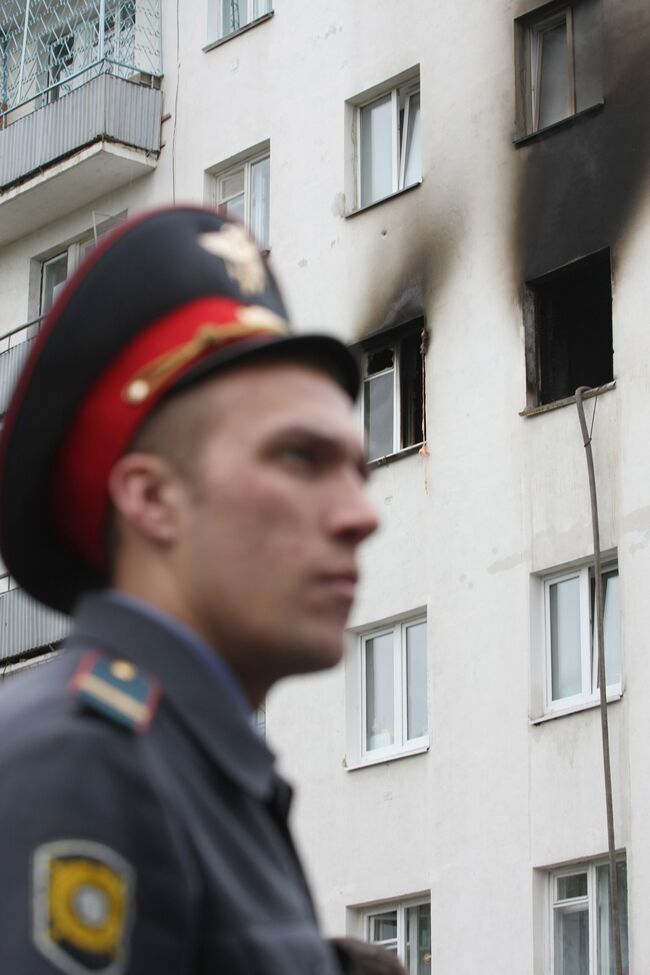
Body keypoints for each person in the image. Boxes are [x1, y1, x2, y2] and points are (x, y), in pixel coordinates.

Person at [0, 207, 408, 975]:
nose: (360, 515)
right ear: (152, 499)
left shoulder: (192, 768)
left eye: (358, 469)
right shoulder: (84, 766)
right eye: (299, 458)